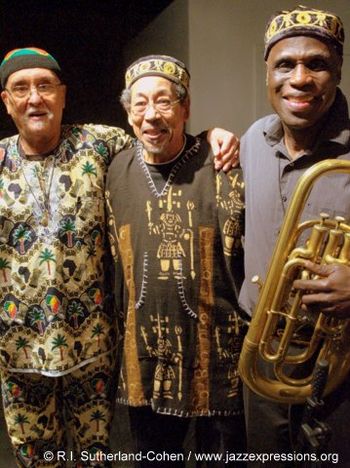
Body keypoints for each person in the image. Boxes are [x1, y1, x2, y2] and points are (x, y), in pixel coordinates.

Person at [0, 46, 240, 467]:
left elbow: (164, 136)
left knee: (97, 457)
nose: (34, 98)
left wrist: (213, 135)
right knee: (37, 459)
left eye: (45, 86)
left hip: (94, 348)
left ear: (63, 94)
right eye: (21, 88)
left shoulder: (99, 145)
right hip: (19, 351)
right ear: (6, 100)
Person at [106, 54, 247, 467]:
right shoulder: (115, 170)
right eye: (140, 104)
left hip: (219, 366)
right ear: (128, 112)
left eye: (164, 102)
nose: (152, 115)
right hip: (146, 363)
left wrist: (217, 134)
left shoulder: (223, 162)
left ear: (185, 107)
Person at [239, 5, 350, 466]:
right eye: (285, 64)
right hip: (262, 352)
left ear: (338, 71)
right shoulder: (250, 140)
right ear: (267, 73)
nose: (299, 79)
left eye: (317, 64)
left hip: (341, 359)